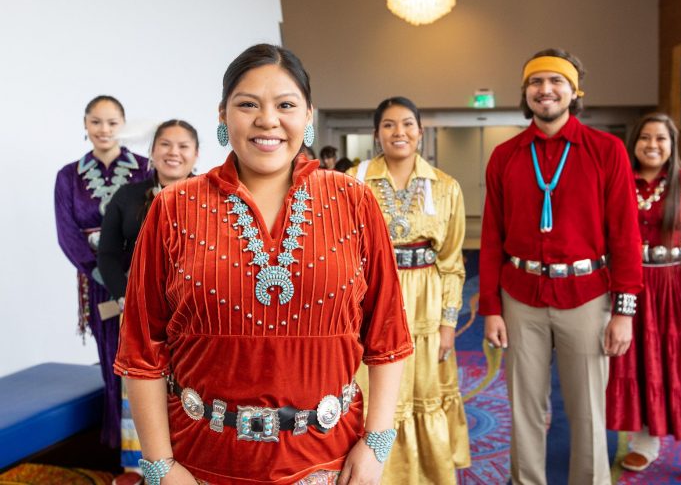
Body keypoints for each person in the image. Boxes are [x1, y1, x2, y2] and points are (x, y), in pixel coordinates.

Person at [114, 44, 412, 485]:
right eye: (248, 104)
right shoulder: (174, 208)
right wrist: (160, 465)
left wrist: (376, 443)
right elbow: (143, 348)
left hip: (328, 461)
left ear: (308, 115)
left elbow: (387, 334)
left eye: (286, 105)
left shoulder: (354, 202)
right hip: (201, 462)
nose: (268, 120)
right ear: (223, 114)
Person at [479, 48, 643, 485]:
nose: (545, 90)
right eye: (535, 82)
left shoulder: (606, 151)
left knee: (588, 407)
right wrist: (491, 308)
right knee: (524, 405)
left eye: (556, 81)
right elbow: (491, 237)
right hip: (521, 294)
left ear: (574, 91)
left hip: (587, 295)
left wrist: (624, 311)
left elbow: (626, 235)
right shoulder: (506, 155)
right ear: (525, 92)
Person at [348, 96, 470, 485]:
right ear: (376, 133)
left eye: (407, 124)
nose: (398, 132)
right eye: (388, 125)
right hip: (372, 297)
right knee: (371, 386)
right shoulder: (353, 180)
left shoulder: (446, 186)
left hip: (426, 301)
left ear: (420, 132)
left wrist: (448, 324)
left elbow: (452, 263)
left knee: (422, 386)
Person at [607, 113, 681, 485]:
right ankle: (646, 440)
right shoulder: (619, 180)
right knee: (638, 362)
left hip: (675, 287)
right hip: (630, 285)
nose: (652, 145)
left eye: (661, 139)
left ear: (672, 145)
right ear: (634, 143)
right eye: (644, 138)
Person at [98, 119, 200, 479]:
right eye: (166, 145)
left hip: (194, 318)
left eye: (183, 146)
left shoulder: (213, 199)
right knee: (141, 384)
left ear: (196, 154)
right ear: (152, 152)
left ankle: (190, 458)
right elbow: (108, 254)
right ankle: (143, 467)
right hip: (141, 315)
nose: (174, 153)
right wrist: (126, 295)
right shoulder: (126, 197)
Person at [55, 95, 150, 448]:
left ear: (123, 125)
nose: (104, 130)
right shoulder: (68, 176)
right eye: (96, 122)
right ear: (85, 124)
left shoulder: (145, 168)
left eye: (112, 122)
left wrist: (134, 277)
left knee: (152, 363)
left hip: (145, 282)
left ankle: (156, 450)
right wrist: (104, 276)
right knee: (112, 360)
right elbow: (67, 234)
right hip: (97, 285)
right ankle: (119, 448)